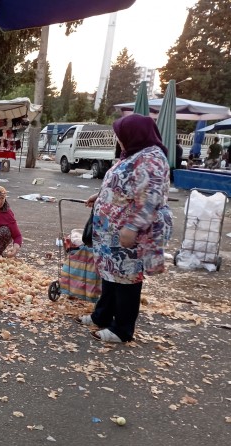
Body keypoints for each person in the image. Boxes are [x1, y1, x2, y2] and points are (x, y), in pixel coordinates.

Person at [79, 114, 172, 343]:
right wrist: (101, 195)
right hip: (111, 233)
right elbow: (122, 184)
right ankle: (102, 315)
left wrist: (132, 227)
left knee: (127, 278)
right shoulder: (133, 154)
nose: (118, 139)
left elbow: (151, 199)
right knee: (111, 274)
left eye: (120, 135)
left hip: (127, 232)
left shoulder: (151, 159)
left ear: (134, 134)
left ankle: (122, 329)